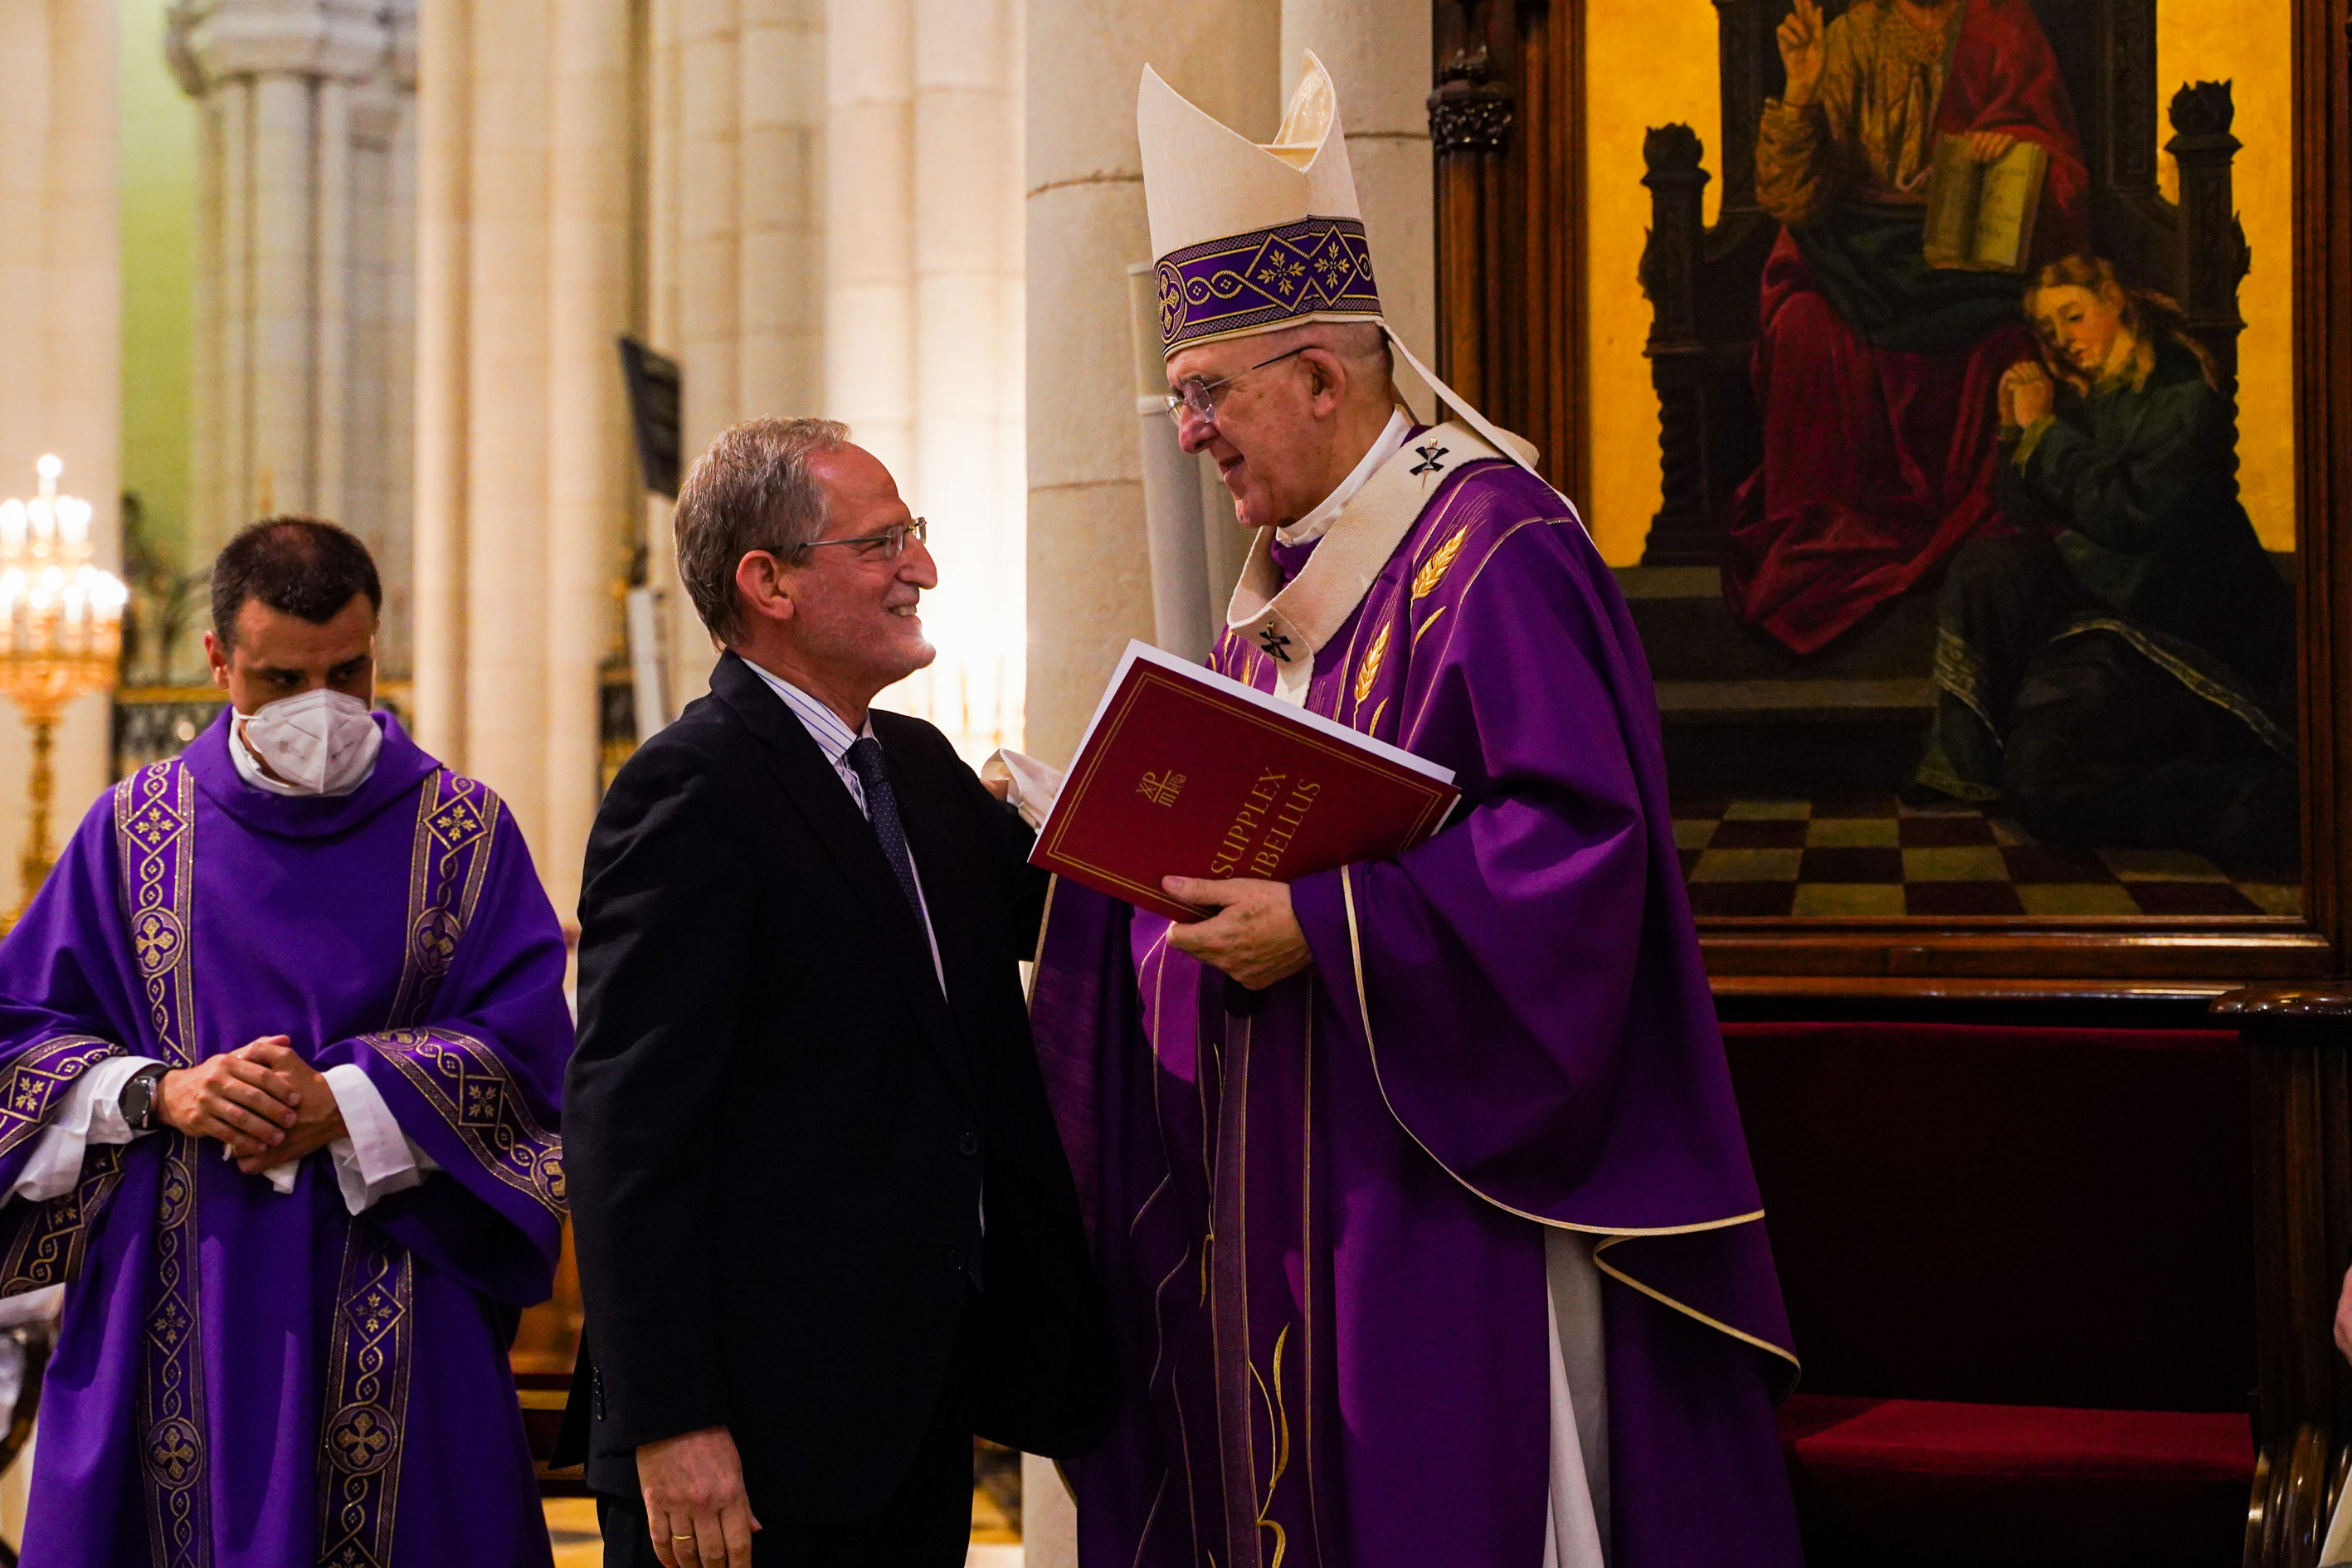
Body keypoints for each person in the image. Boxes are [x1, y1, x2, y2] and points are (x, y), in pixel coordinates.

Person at [1020, 54, 1804, 1568]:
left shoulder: (1497, 552)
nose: (1185, 432)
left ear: (1322, 376)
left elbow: (1582, 857)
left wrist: (1322, 924)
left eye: (1206, 393)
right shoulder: (1285, 597)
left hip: (1450, 1191)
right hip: (1297, 1168)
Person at [560, 416, 1115, 1568]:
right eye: (882, 544)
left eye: (910, 535)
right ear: (767, 580)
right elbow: (629, 1132)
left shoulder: (913, 768)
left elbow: (1084, 912)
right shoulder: (689, 788)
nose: (921, 568)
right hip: (747, 1437)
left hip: (909, 1398)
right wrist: (669, 1418)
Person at [0, 517, 573, 1565]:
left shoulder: (463, 831)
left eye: (346, 671)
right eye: (277, 678)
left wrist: (350, 1100)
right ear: (217, 661)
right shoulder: (131, 834)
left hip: (404, 1293)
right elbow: (16, 1037)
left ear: (377, 645)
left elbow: (534, 1055)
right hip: (168, 1294)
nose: (320, 708)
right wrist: (158, 1095)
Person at [1724, 0, 2090, 655]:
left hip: (1962, 262)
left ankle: (1974, 543)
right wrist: (1802, 92)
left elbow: (2062, 173)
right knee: (1804, 330)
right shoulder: (1850, 36)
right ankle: (1832, 536)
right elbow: (1790, 197)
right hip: (1852, 251)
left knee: (2004, 344)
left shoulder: (2002, 26)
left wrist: (2013, 146)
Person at [1910, 255, 2295, 862]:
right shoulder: (2083, 396)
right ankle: (1966, 767)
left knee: (2049, 787)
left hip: (2186, 638)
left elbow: (2127, 516)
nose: (2061, 340)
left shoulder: (2181, 392)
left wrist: (2043, 434)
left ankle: (2251, 802)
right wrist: (2015, 430)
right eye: (2047, 328)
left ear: (2116, 303)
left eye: (2073, 317)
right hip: (2110, 617)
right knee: (1985, 566)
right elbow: (2025, 514)